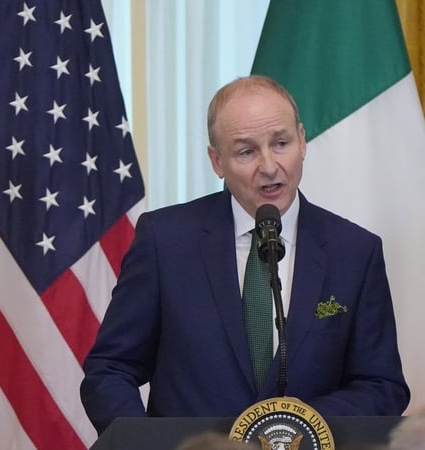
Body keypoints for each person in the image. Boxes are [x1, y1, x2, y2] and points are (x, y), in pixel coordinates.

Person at [80, 75, 409, 434]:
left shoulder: (355, 251)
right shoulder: (165, 241)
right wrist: (146, 444)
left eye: (281, 143)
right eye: (246, 151)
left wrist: (305, 422)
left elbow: (382, 387)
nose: (269, 166)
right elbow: (110, 370)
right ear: (217, 161)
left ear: (302, 140)